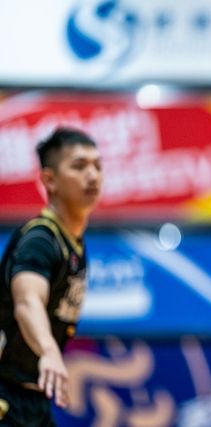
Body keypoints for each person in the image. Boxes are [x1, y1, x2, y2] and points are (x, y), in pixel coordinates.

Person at [0, 128, 102, 426]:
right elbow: (27, 303)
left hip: (32, 397)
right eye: (79, 166)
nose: (93, 175)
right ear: (50, 180)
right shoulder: (41, 240)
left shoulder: (73, 241)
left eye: (97, 166)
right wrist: (48, 350)